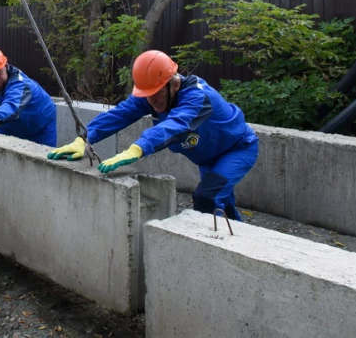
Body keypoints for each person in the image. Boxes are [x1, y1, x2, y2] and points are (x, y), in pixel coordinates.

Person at [47, 50, 258, 221]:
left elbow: (175, 124)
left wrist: (138, 148)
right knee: (221, 208)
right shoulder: (152, 92)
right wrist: (85, 139)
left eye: (156, 96)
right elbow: (120, 114)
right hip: (207, 157)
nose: (152, 102)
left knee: (206, 197)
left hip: (236, 149)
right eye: (147, 96)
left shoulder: (197, 97)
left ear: (174, 84)